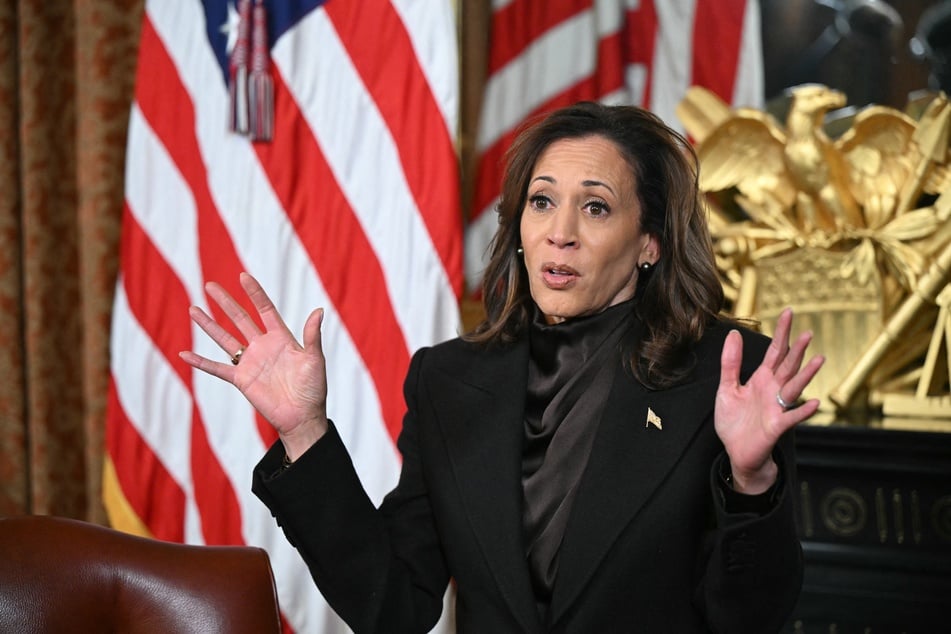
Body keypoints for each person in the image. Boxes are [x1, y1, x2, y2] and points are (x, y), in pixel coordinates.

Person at [180, 102, 824, 633]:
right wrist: (305, 434)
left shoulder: (727, 378)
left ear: (649, 241)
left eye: (595, 207)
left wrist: (752, 480)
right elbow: (394, 608)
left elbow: (748, 620)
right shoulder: (448, 382)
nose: (560, 232)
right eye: (542, 202)